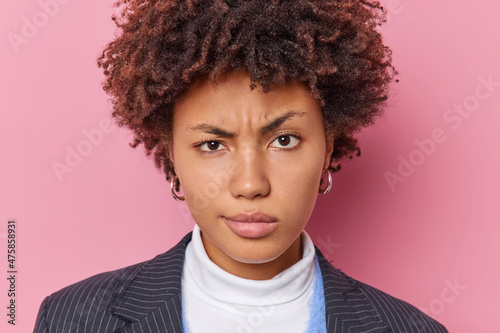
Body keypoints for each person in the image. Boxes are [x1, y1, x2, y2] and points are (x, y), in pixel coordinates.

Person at [34, 0, 448, 332]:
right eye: (213, 144)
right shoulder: (72, 320)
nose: (250, 184)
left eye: (284, 140)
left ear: (327, 149)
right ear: (173, 154)